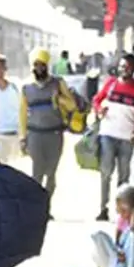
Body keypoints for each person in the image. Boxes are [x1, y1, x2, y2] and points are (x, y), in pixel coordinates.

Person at [92, 52, 134, 221]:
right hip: (107, 134)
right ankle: (103, 209)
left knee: (123, 176)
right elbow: (96, 99)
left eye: (127, 67)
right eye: (121, 66)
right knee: (105, 172)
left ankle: (122, 211)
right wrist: (99, 109)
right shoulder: (110, 84)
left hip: (127, 138)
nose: (122, 70)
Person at [19, 48, 77, 215]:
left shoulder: (58, 84)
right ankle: (37, 208)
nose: (39, 68)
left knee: (51, 172)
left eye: (42, 65)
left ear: (47, 66)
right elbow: (22, 114)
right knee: (37, 172)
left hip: (55, 135)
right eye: (36, 65)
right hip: (35, 135)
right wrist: (23, 137)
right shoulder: (26, 88)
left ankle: (47, 205)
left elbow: (72, 105)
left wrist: (58, 98)